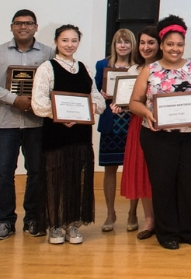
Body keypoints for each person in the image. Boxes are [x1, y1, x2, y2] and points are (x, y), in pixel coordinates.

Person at [129, 15, 191, 250]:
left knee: (190, 184)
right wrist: (148, 114)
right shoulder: (150, 70)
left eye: (180, 45)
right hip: (158, 136)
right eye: (170, 44)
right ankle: (167, 232)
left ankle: (187, 229)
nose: (175, 49)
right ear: (162, 45)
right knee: (163, 184)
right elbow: (134, 102)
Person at [31, 24, 105, 244]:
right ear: (56, 41)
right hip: (56, 134)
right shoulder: (47, 67)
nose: (69, 45)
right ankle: (55, 225)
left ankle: (72, 224)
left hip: (81, 135)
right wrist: (61, 114)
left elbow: (98, 100)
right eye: (65, 40)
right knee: (55, 179)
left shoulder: (84, 68)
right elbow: (38, 102)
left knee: (78, 179)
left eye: (74, 40)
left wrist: (90, 107)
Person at [0, 9, 53, 240]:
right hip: (6, 122)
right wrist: (15, 99)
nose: (23, 27)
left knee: (37, 172)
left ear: (36, 26)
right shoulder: (0, 52)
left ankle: (33, 218)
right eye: (19, 23)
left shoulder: (49, 53)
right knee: (3, 173)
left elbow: (54, 85)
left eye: (28, 23)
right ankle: (5, 220)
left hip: (37, 123)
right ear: (12, 27)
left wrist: (37, 102)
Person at [119, 26, 160, 240]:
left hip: (164, 124)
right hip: (139, 123)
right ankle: (149, 220)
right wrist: (118, 105)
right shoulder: (133, 70)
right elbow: (127, 101)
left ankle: (163, 218)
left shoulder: (165, 67)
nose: (146, 47)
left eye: (151, 42)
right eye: (142, 43)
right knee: (142, 170)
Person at [95, 28, 136, 233]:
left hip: (132, 123)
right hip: (111, 123)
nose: (123, 45)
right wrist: (102, 94)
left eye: (127, 42)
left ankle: (132, 213)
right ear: (114, 44)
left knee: (133, 169)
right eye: (119, 42)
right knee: (109, 169)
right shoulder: (103, 65)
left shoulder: (138, 66)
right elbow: (95, 93)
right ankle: (110, 213)